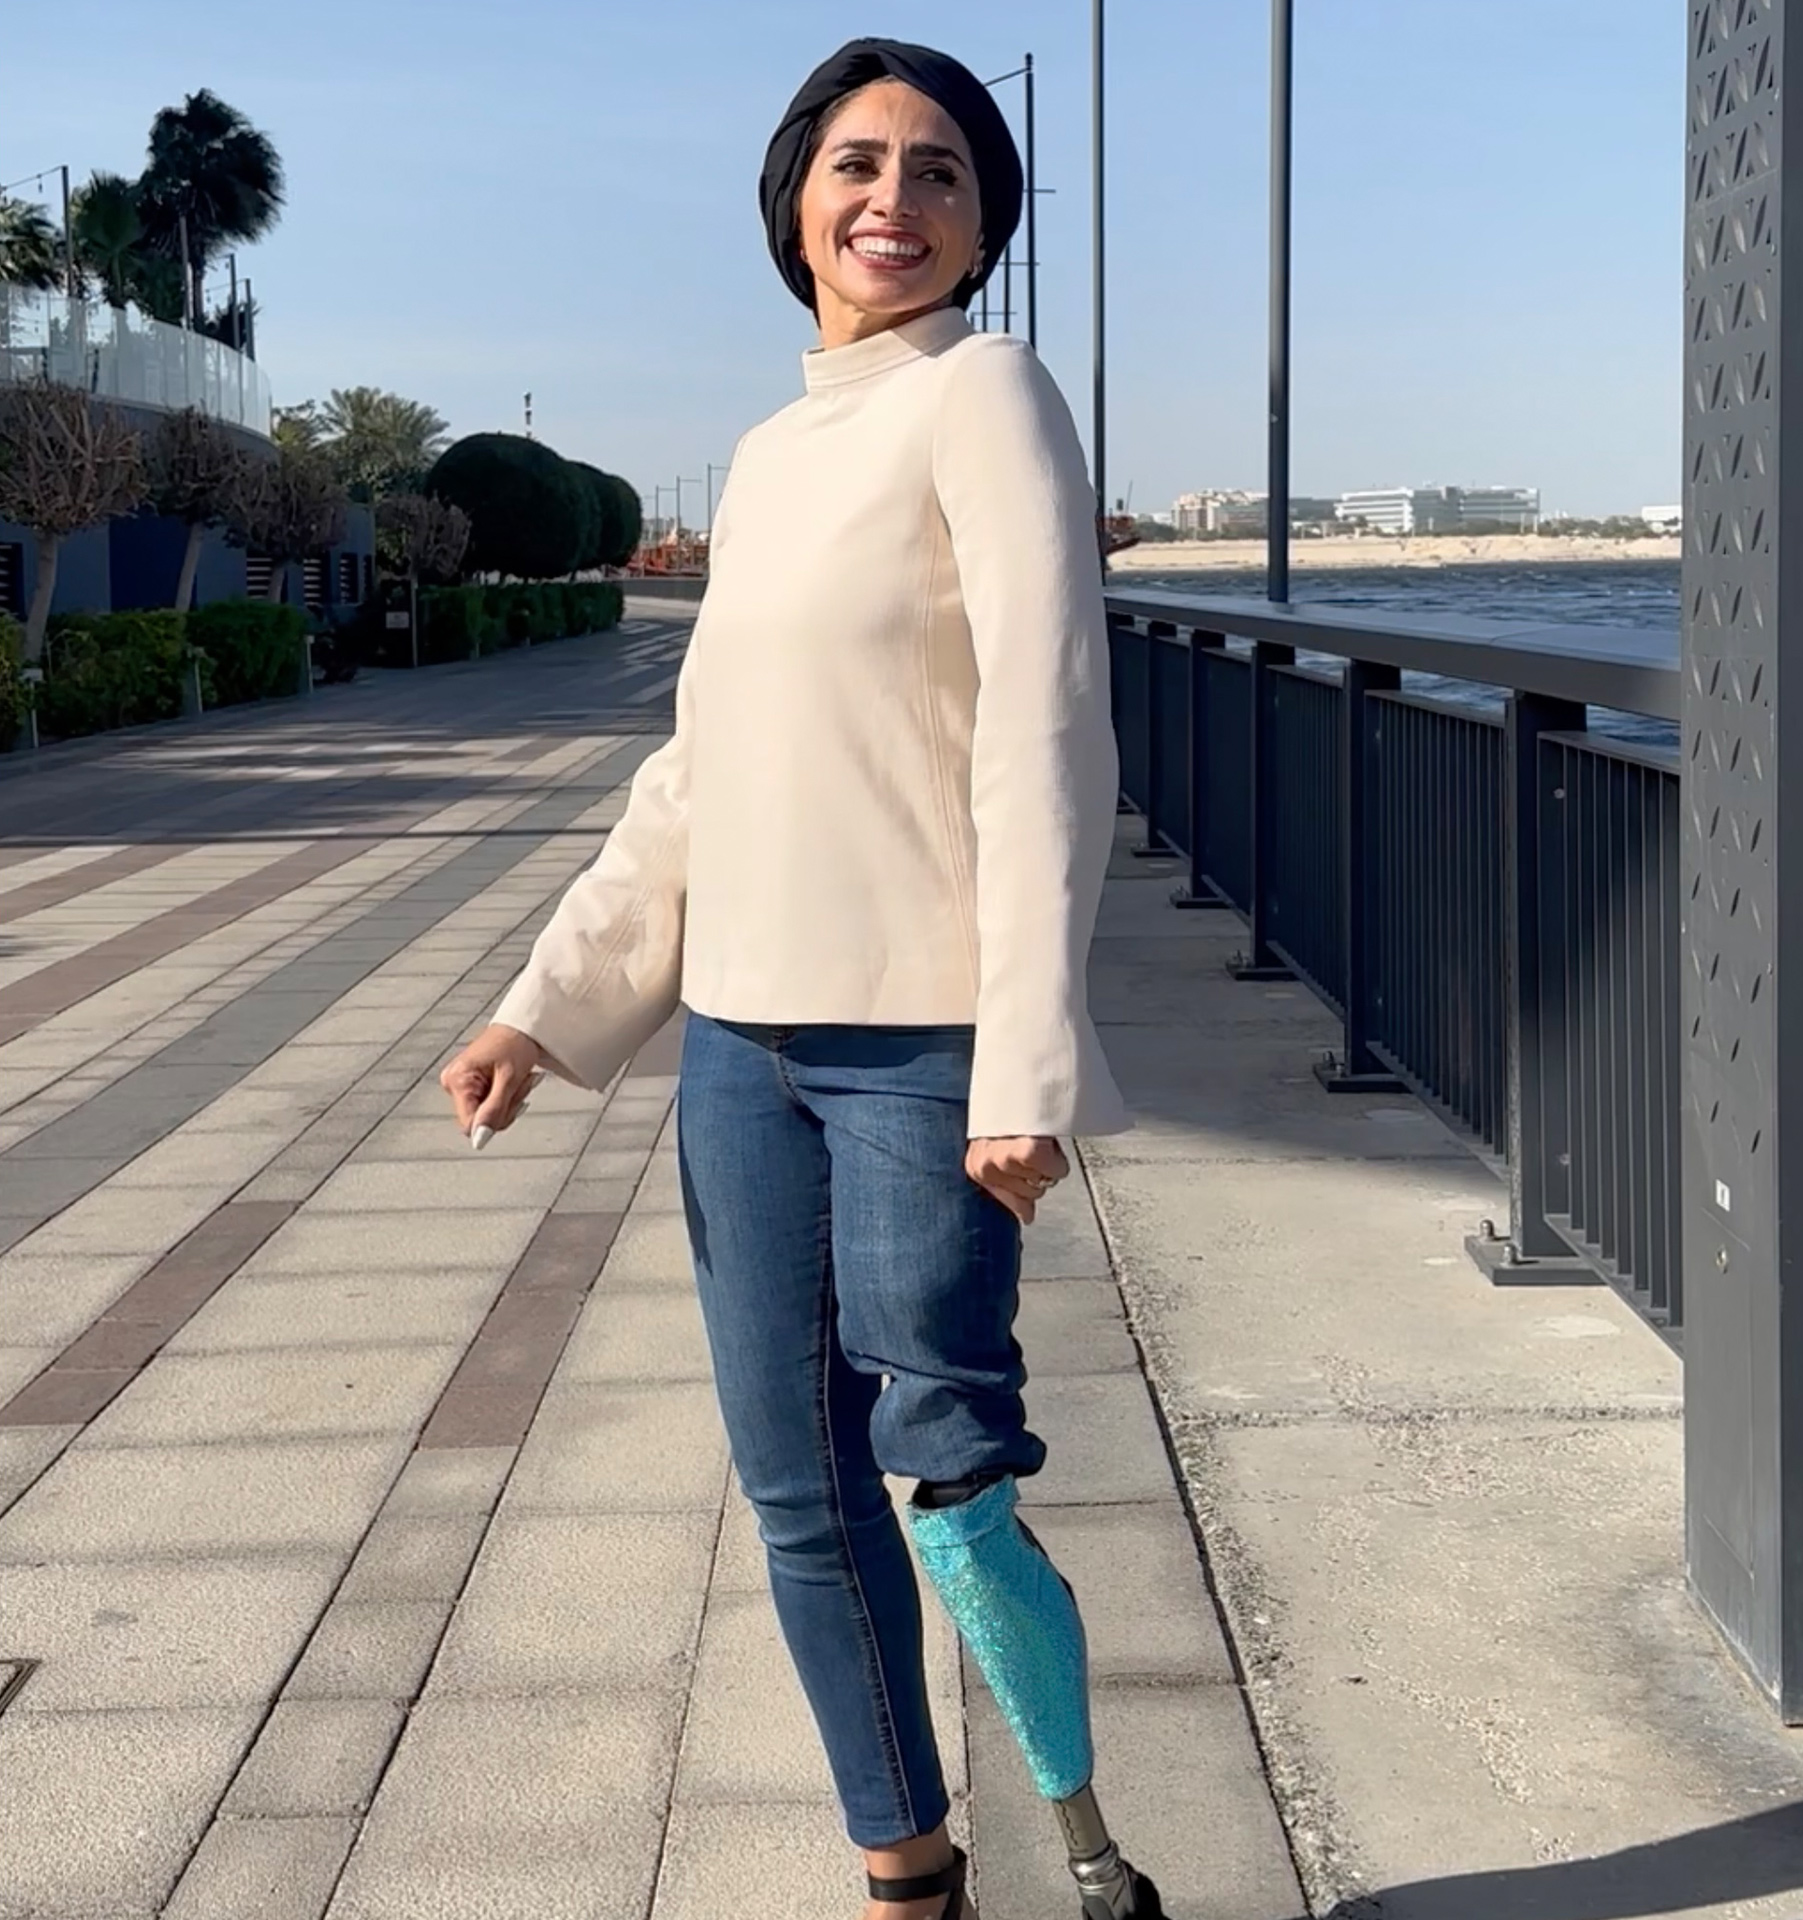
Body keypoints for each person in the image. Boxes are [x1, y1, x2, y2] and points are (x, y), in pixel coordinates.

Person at [441, 37, 1166, 1920]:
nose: (893, 203)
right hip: (741, 1049)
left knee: (946, 1470)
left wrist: (1030, 1054)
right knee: (794, 1491)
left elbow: (1045, 730)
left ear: (984, 218)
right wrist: (549, 996)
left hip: (921, 1042)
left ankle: (1092, 1856)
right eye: (857, 166)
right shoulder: (768, 458)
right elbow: (700, 768)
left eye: (939, 172)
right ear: (795, 204)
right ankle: (905, 1866)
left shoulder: (988, 393)